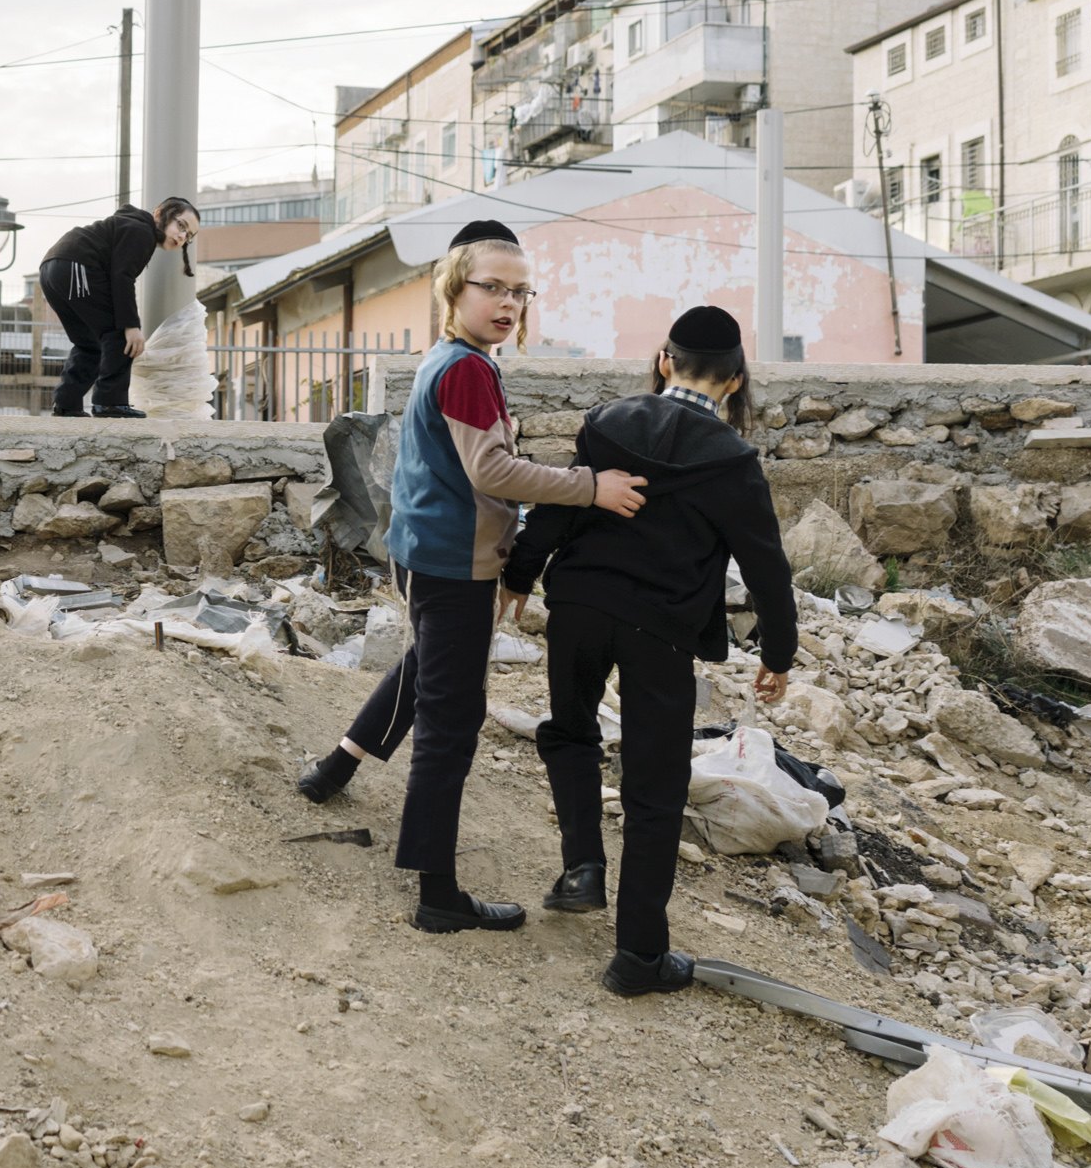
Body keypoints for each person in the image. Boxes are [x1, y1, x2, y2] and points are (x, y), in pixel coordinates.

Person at [295, 219, 649, 936]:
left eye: (521, 291)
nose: (509, 302)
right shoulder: (465, 369)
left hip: (427, 554)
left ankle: (334, 768)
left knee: (426, 668)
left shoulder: (455, 358)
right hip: (452, 565)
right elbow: (491, 470)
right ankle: (438, 892)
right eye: (494, 287)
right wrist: (591, 486)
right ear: (455, 289)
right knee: (450, 727)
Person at [498, 304, 798, 996]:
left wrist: (520, 573)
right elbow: (767, 566)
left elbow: (562, 504)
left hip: (579, 607)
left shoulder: (609, 422)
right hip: (660, 632)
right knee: (654, 788)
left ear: (665, 361)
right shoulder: (733, 461)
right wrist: (777, 653)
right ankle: (637, 955)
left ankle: (583, 866)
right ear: (735, 379)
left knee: (569, 732)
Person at [38, 198, 199, 418]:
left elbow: (118, 275)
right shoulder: (142, 231)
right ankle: (110, 402)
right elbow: (122, 277)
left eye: (188, 235)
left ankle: (66, 404)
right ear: (160, 214)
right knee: (121, 335)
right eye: (181, 225)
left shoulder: (131, 226)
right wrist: (131, 326)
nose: (182, 236)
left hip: (53, 269)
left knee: (89, 343)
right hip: (76, 265)